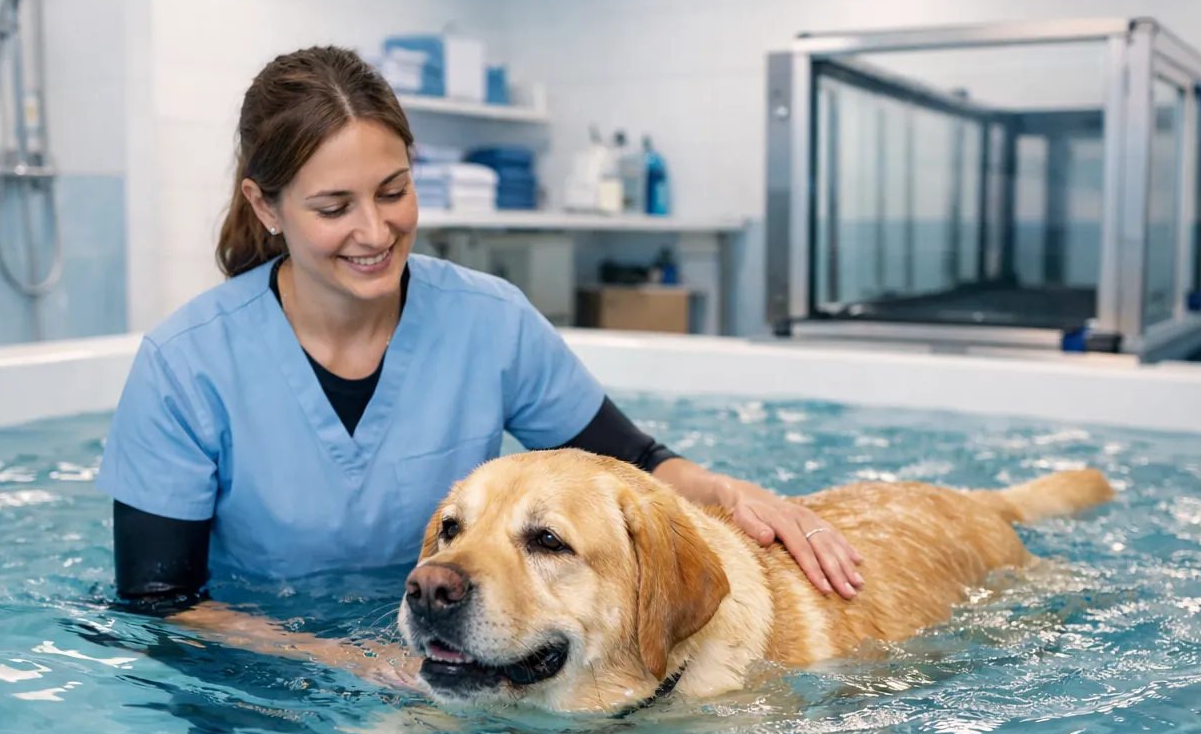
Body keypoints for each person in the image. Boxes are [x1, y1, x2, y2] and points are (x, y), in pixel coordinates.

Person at [96, 47, 863, 663]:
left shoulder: (488, 321)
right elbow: (159, 605)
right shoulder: (185, 366)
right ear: (265, 206)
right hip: (248, 673)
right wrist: (353, 665)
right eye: (334, 207)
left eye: (393, 191)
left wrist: (732, 495)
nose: (375, 231)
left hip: (462, 647)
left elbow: (631, 460)